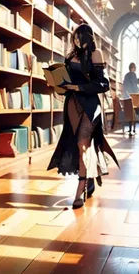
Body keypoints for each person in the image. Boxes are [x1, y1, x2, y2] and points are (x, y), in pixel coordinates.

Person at [47, 23, 119, 209]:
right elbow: (65, 84)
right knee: (79, 145)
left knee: (82, 144)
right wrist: (56, 84)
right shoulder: (71, 56)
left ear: (87, 36)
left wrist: (78, 87)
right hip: (71, 104)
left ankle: (80, 189)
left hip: (90, 105)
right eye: (74, 37)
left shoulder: (96, 54)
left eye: (79, 37)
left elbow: (103, 84)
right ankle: (88, 177)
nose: (76, 40)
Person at [122, 62, 139, 136]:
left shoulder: (126, 75)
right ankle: (133, 129)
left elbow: (125, 85)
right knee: (133, 113)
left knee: (130, 113)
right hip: (133, 95)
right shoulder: (133, 75)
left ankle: (130, 128)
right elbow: (135, 85)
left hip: (127, 96)